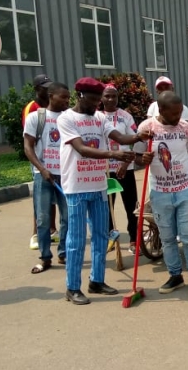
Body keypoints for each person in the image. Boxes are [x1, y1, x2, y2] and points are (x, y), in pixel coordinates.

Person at [57, 78, 137, 305]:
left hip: (99, 185)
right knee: (77, 239)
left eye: (98, 101)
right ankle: (72, 288)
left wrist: (141, 136)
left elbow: (120, 138)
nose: (96, 105)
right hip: (77, 187)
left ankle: (97, 281)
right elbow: (82, 149)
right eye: (93, 100)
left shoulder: (100, 117)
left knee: (102, 236)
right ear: (80, 95)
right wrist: (114, 155)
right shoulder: (67, 119)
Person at [136, 91, 188, 294]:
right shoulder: (147, 128)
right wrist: (140, 159)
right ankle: (175, 275)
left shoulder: (185, 128)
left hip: (185, 189)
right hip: (160, 192)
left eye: (180, 112)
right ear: (161, 110)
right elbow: (135, 155)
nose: (178, 117)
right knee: (168, 237)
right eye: (174, 113)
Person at [23, 82, 69, 274]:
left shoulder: (69, 117)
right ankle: (44, 257)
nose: (67, 101)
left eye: (68, 98)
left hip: (66, 175)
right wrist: (42, 169)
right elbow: (28, 147)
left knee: (68, 217)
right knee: (42, 218)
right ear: (51, 96)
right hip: (44, 175)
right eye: (63, 97)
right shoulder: (36, 117)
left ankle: (64, 253)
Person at [102, 83, 139, 254]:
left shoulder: (125, 116)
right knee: (106, 207)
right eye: (107, 96)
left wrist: (125, 163)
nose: (110, 99)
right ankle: (110, 238)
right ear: (101, 98)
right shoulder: (96, 116)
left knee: (131, 205)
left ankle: (134, 240)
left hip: (126, 168)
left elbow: (134, 139)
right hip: (105, 170)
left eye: (114, 96)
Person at [23, 74, 57, 249]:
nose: (49, 89)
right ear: (37, 89)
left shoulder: (53, 107)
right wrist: (40, 163)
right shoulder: (32, 108)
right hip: (39, 159)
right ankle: (36, 233)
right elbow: (31, 138)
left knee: (54, 198)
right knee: (41, 199)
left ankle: (52, 229)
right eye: (45, 87)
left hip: (55, 160)